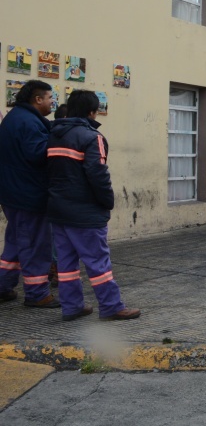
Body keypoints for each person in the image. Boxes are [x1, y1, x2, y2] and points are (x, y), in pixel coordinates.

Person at [46, 90, 140, 321]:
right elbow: (98, 174)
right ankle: (110, 306)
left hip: (58, 209)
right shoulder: (92, 137)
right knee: (98, 262)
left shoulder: (54, 134)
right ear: (92, 112)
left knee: (66, 264)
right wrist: (107, 201)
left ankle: (72, 307)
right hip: (85, 211)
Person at [0, 80, 59, 307]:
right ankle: (37, 294)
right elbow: (38, 154)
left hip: (13, 193)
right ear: (38, 99)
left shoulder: (15, 118)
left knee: (15, 244)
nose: (52, 102)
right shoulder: (29, 123)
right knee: (35, 244)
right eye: (49, 98)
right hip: (28, 194)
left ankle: (3, 286)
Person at [46, 103, 70, 288]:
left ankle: (54, 268)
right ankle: (57, 269)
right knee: (57, 235)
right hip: (59, 193)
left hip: (50, 191)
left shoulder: (47, 134)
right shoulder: (62, 137)